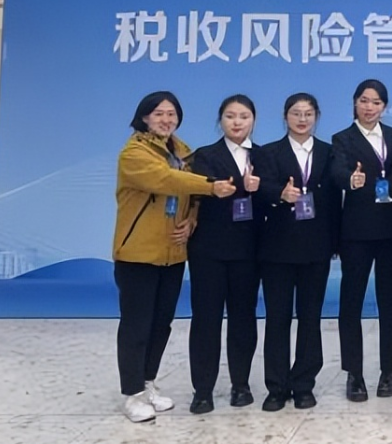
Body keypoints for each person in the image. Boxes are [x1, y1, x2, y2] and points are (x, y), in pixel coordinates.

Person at [113, 91, 235, 423]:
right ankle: (131, 394)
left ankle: (147, 383)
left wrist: (192, 219)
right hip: (138, 253)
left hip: (173, 252)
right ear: (144, 117)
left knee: (160, 323)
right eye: (159, 114)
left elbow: (190, 197)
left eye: (171, 114)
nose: (166, 120)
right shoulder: (134, 153)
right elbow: (166, 180)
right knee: (136, 325)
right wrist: (211, 185)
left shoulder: (182, 152)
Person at [254, 93, 336, 412]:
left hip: (316, 248)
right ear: (285, 116)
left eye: (308, 113)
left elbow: (334, 202)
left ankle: (303, 384)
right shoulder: (268, 152)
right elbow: (258, 191)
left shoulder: (328, 152)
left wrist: (335, 243)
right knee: (278, 318)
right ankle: (276, 386)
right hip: (277, 248)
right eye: (296, 113)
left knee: (310, 317)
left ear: (316, 116)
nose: (302, 119)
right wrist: (279, 193)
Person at [330, 79, 392, 402]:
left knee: (390, 303)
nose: (369, 107)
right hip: (357, 233)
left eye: (376, 102)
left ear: (384, 107)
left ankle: (388, 371)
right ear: (354, 103)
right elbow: (336, 172)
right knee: (352, 303)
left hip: (391, 232)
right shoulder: (342, 139)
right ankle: (354, 373)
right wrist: (351, 179)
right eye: (363, 100)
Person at [187, 94, 262, 414]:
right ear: (220, 120)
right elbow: (195, 193)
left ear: (253, 120)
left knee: (243, 317)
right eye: (231, 116)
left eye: (244, 116)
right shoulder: (204, 155)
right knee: (206, 318)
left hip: (249, 251)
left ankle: (240, 384)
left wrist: (261, 189)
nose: (237, 122)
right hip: (210, 250)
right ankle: (203, 390)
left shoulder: (263, 156)